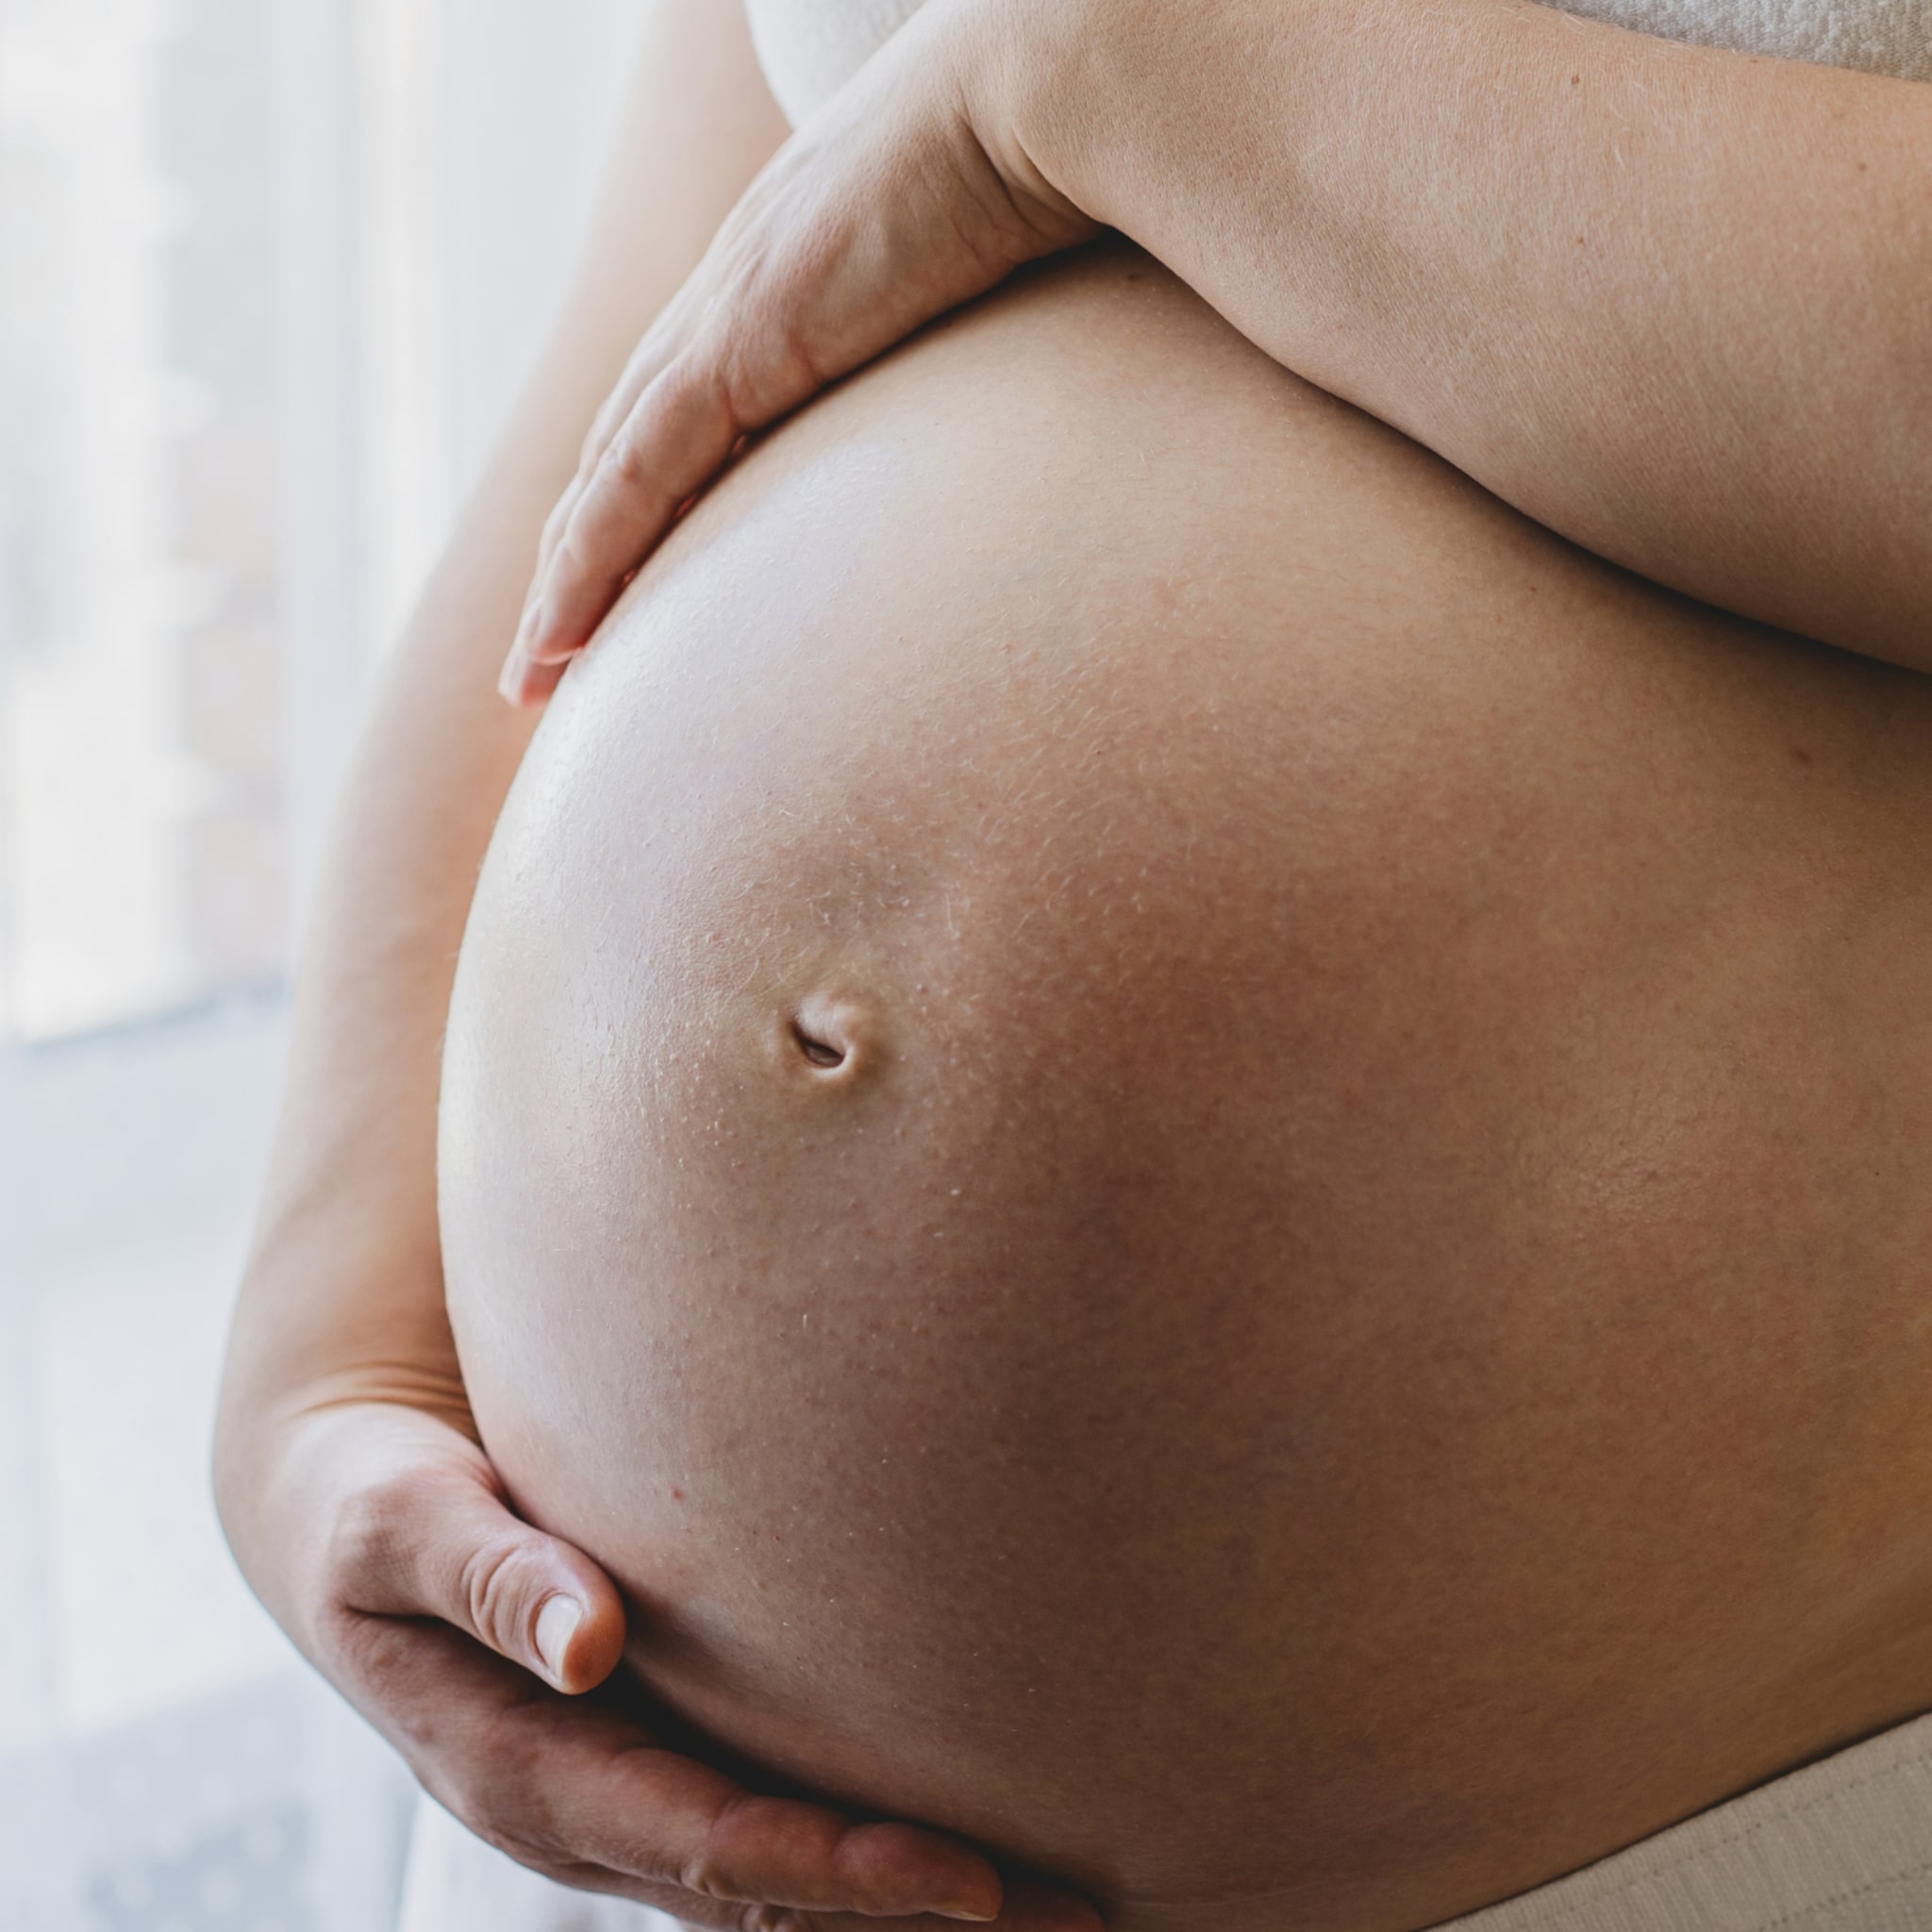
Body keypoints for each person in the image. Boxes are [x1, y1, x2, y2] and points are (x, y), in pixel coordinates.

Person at [214, 3, 1932, 1929]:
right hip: (633, 1760)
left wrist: (1122, 71)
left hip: (1680, 1815)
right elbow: (671, 338)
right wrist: (326, 1341)